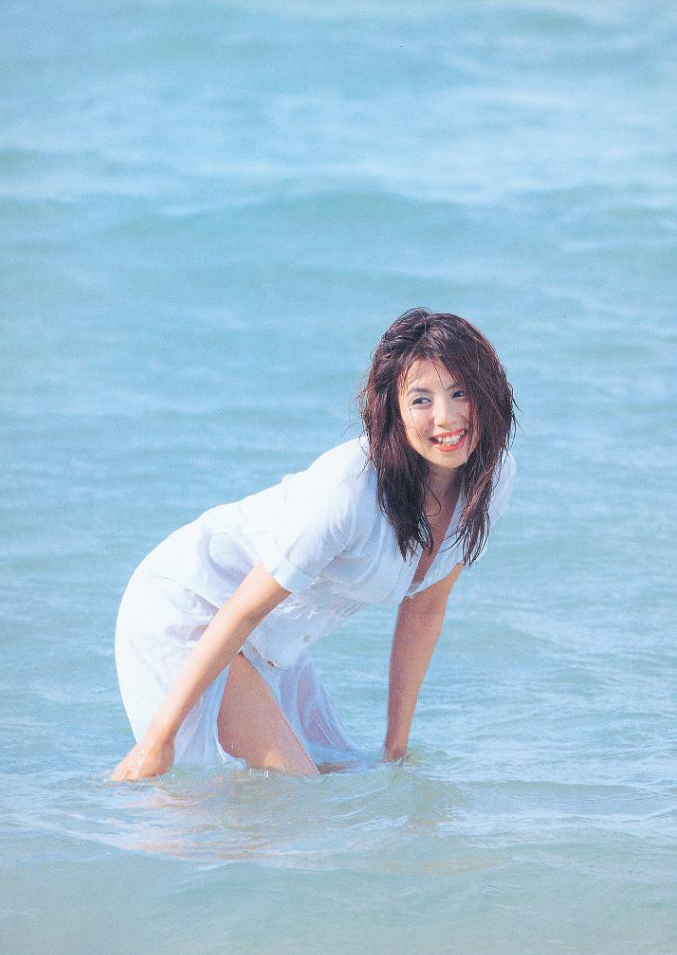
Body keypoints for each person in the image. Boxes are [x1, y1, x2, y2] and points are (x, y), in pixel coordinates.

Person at [111, 308, 517, 781]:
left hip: (273, 644)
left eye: (460, 392)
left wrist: (395, 748)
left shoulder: (491, 478)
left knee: (337, 781)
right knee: (290, 788)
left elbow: (425, 608)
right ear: (394, 411)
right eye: (421, 399)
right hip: (196, 607)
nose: (446, 417)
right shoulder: (349, 490)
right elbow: (242, 610)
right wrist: (157, 743)